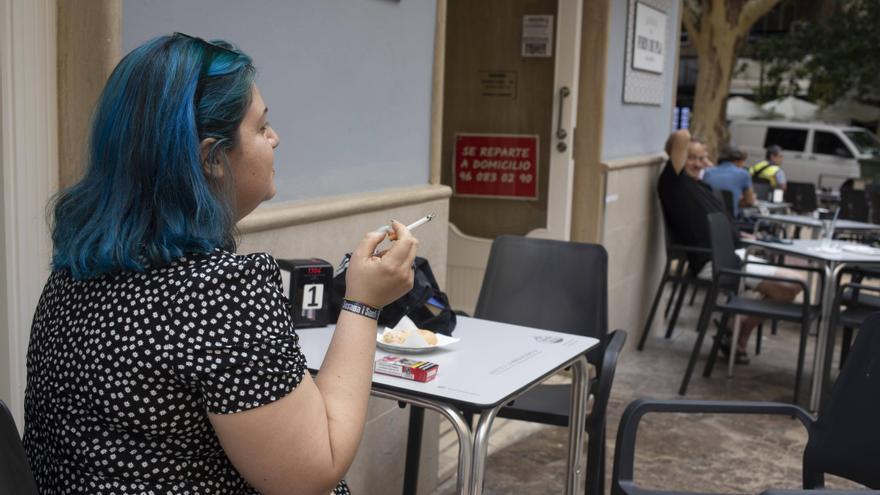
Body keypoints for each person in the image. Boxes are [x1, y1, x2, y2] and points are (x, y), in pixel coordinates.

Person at [23, 33, 418, 494]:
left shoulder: (74, 272)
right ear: (212, 158)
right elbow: (312, 473)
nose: (276, 138)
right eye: (261, 127)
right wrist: (364, 303)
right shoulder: (220, 292)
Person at [658, 130, 801, 364]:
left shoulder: (703, 187)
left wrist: (742, 235)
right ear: (678, 156)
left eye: (703, 158)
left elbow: (725, 224)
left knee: (793, 286)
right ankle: (739, 331)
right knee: (789, 286)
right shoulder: (674, 183)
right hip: (713, 261)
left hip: (734, 254)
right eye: (692, 157)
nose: (700, 163)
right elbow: (682, 135)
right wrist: (691, 141)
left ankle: (735, 329)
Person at [703, 144, 755, 218]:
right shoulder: (743, 174)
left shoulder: (707, 172)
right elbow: (749, 202)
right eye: (743, 161)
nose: (743, 165)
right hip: (728, 222)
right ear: (737, 160)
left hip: (707, 218)